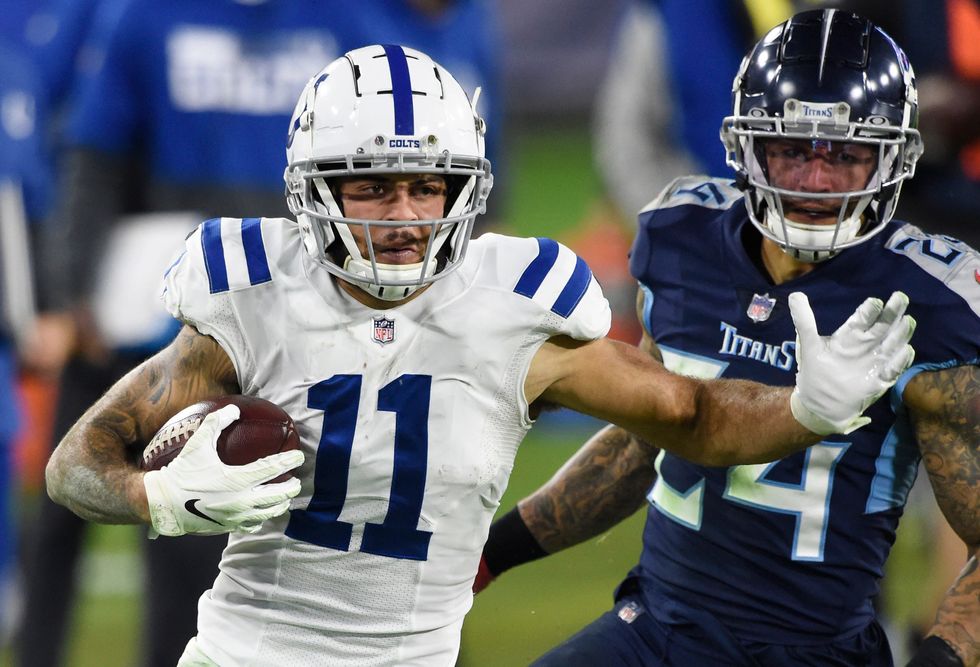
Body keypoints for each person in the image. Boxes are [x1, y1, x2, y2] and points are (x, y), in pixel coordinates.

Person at [44, 44, 915, 666]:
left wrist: (803, 409)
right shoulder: (251, 293)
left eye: (428, 186)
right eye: (371, 186)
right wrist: (155, 495)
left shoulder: (515, 307)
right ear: (313, 189)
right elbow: (75, 462)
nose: (404, 214)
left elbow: (687, 413)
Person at [476, 9, 978, 667]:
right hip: (653, 629)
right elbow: (641, 441)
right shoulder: (681, 238)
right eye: (791, 149)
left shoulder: (932, 302)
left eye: (847, 154)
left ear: (894, 157)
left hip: (814, 655)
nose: (816, 181)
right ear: (746, 146)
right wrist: (487, 555)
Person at [17, 2, 365, 665]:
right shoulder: (145, 15)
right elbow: (96, 154)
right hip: (147, 295)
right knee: (67, 507)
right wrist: (73, 291)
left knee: (210, 519)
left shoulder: (336, 16)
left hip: (277, 307)